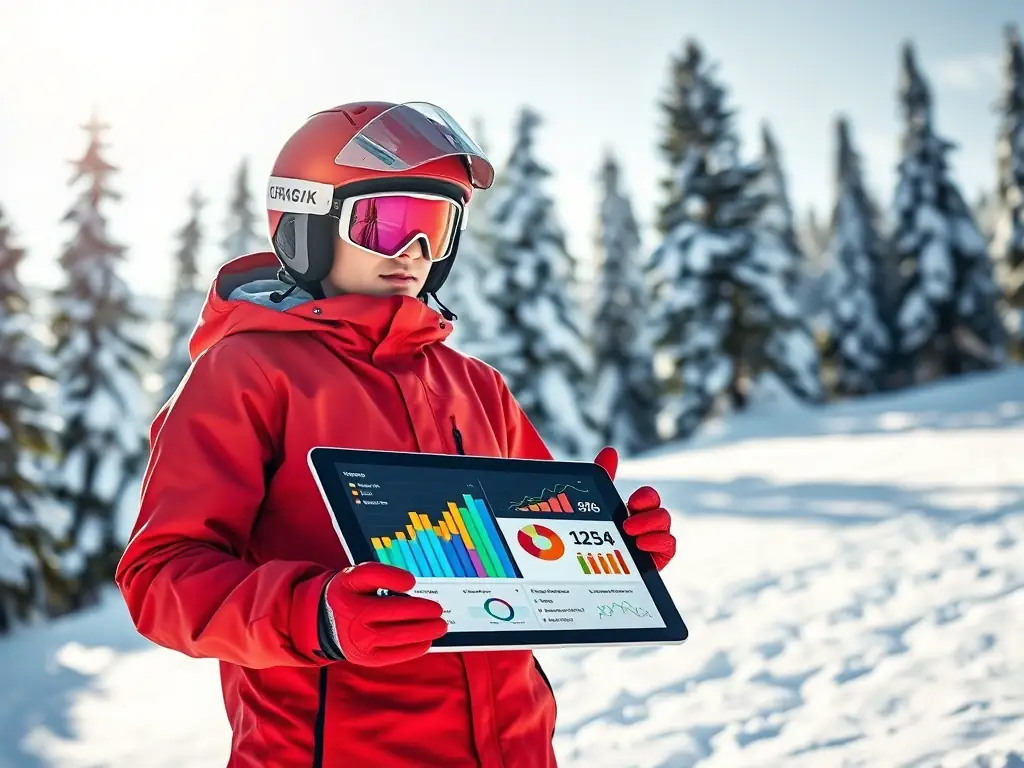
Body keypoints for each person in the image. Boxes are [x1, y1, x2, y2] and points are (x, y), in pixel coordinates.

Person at [114, 101, 677, 768]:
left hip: (515, 746)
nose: (413, 252)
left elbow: (530, 555)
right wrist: (315, 615)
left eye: (435, 228)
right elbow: (161, 578)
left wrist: (608, 545)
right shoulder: (246, 373)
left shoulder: (475, 385)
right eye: (385, 222)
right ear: (309, 223)